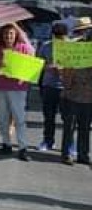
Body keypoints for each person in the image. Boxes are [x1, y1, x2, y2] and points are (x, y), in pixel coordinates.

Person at [0, 23, 34, 161]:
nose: (8, 36)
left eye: (11, 34)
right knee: (2, 117)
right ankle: (6, 144)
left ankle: (23, 148)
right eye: (6, 34)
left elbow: (32, 63)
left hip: (18, 89)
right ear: (2, 36)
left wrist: (15, 24)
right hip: (0, 87)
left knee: (19, 118)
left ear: (16, 35)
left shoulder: (23, 48)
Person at [37, 21, 70, 152]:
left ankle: (68, 144)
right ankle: (48, 141)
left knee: (68, 118)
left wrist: (64, 69)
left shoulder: (73, 47)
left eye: (61, 37)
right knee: (48, 116)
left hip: (67, 87)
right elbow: (38, 64)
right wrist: (48, 67)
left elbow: (78, 67)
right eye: (56, 37)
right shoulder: (45, 46)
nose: (59, 40)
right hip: (49, 85)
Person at [60, 37, 92, 166]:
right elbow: (66, 82)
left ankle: (83, 155)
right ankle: (67, 154)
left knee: (85, 128)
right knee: (69, 127)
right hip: (71, 98)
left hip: (88, 99)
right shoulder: (73, 54)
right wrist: (70, 69)